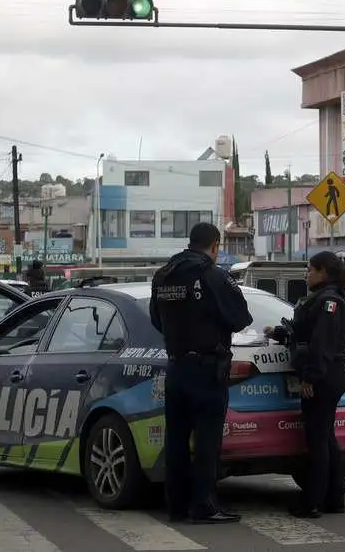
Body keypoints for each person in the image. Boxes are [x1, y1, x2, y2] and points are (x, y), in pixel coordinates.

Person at [150, 222, 253, 525]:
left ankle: (177, 505)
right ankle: (204, 505)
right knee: (208, 440)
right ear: (215, 246)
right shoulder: (212, 274)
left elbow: (156, 319)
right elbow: (240, 317)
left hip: (176, 366)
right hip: (207, 368)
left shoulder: (163, 275)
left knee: (177, 439)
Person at [265, 251, 345, 518]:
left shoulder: (329, 301)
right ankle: (334, 498)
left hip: (324, 375)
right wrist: (280, 332)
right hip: (330, 372)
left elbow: (322, 344)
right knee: (326, 437)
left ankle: (312, 501)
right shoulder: (327, 298)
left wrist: (309, 378)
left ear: (323, 272)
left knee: (317, 439)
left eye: (310, 270)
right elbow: (305, 332)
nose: (306, 274)